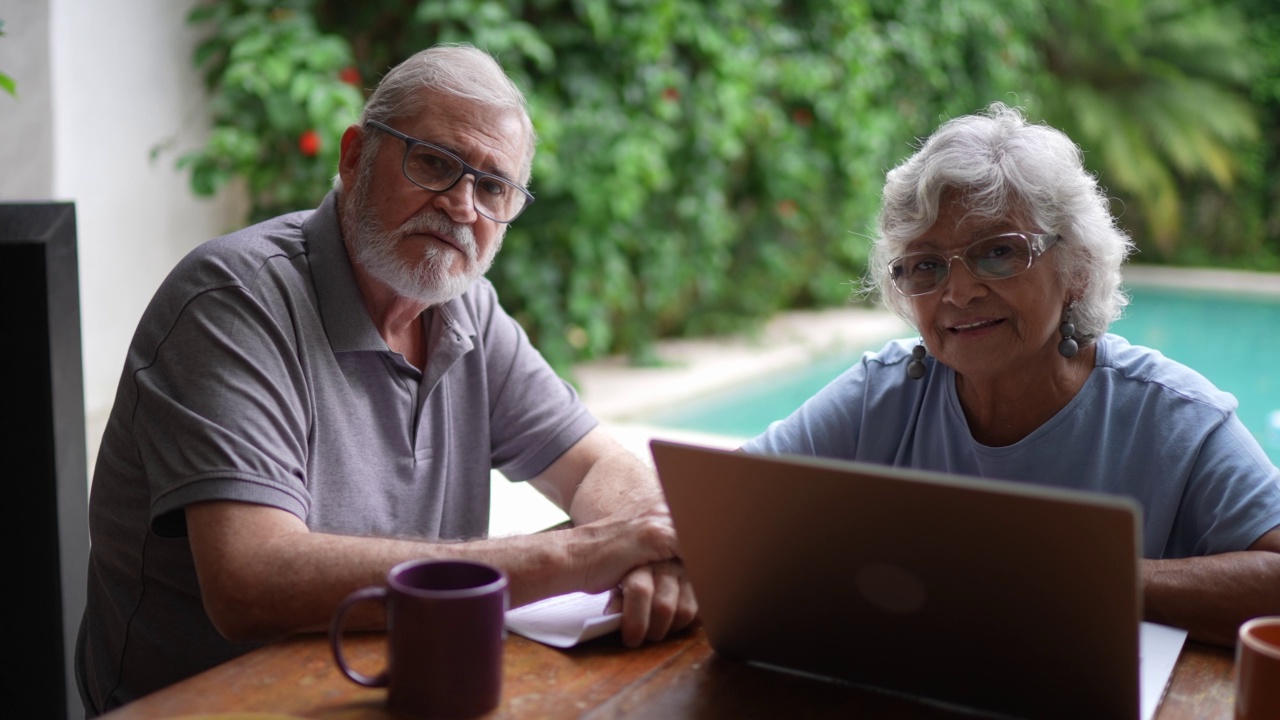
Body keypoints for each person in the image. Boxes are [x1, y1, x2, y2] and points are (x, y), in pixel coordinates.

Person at [75, 44, 696, 715]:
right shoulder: (234, 301)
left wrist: (647, 548)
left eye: (493, 187)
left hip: (393, 688)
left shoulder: (466, 312)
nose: (463, 207)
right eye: (433, 162)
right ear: (354, 157)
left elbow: (595, 464)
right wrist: (581, 554)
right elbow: (249, 582)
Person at [741, 102, 1280, 647]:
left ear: (1077, 270)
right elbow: (718, 503)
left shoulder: (1173, 416)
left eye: (999, 252)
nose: (958, 292)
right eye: (926, 264)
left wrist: (1076, 578)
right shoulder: (883, 392)